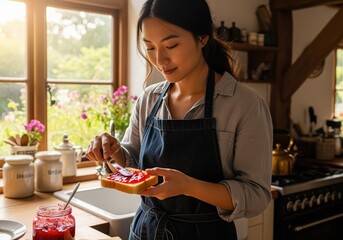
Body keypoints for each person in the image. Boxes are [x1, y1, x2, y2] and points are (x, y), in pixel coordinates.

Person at [85, 0, 273, 239]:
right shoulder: (149, 98)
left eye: (171, 45)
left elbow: (256, 195)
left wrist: (189, 186)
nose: (159, 59)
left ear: (203, 37)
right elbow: (132, 161)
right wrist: (114, 151)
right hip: (146, 231)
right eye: (150, 47)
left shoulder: (244, 104)